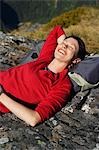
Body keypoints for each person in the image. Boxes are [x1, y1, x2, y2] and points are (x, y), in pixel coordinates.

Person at [0, 26, 87, 127]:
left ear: (76, 60)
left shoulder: (62, 85)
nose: (64, 46)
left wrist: (1, 95)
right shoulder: (45, 59)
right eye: (64, 43)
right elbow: (56, 30)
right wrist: (62, 42)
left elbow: (34, 119)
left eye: (71, 47)